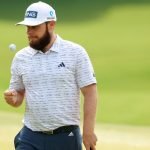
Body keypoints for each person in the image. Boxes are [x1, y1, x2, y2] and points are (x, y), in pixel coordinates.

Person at [4, 1, 98, 150]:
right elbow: (18, 95)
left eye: (34, 27)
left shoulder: (75, 53)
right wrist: (13, 98)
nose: (29, 32)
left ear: (51, 25)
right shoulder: (21, 58)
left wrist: (88, 131)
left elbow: (90, 92)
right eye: (27, 27)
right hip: (30, 136)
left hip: (66, 137)